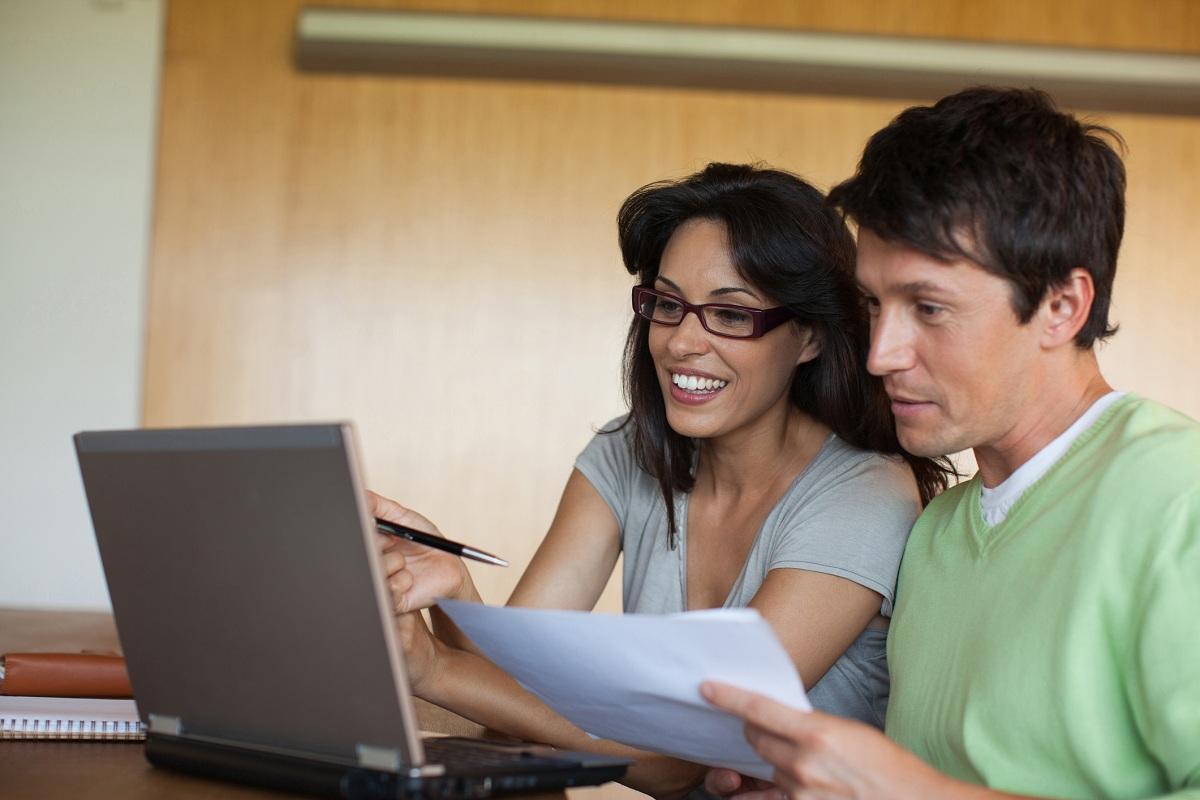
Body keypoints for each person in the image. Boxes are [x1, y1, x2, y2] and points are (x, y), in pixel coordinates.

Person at [370, 163, 951, 796]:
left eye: (730, 315)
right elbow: (515, 705)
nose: (681, 343)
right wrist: (453, 589)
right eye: (668, 306)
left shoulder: (864, 496)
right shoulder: (628, 454)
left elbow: (684, 758)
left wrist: (433, 669)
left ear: (808, 336)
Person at [703, 88, 1200, 800]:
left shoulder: (1179, 494)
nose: (881, 354)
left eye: (929, 308)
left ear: (1063, 307)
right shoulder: (936, 532)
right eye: (875, 304)